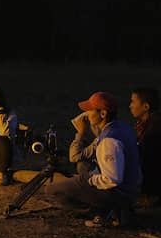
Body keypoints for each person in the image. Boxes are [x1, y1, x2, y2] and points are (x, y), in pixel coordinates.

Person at [45, 92, 141, 228]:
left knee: (51, 190)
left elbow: (112, 179)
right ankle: (113, 210)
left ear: (103, 114)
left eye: (90, 110)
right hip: (130, 188)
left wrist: (90, 180)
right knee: (82, 171)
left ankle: (102, 212)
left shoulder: (109, 140)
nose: (86, 114)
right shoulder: (121, 127)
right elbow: (76, 156)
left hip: (118, 192)